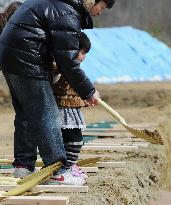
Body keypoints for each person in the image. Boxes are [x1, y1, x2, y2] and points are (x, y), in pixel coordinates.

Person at [0, 0, 114, 185]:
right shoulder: (66, 12)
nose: (100, 12)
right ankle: (58, 172)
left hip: (9, 55)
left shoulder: (60, 5)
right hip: (27, 58)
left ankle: (23, 167)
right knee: (47, 113)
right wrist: (89, 91)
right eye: (102, 7)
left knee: (26, 113)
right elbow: (67, 61)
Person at [51, 32, 91, 180]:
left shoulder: (75, 69)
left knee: (75, 140)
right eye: (82, 52)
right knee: (72, 140)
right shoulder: (60, 67)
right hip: (62, 111)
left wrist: (86, 96)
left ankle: (69, 166)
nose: (83, 57)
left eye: (85, 53)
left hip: (73, 111)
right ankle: (65, 169)